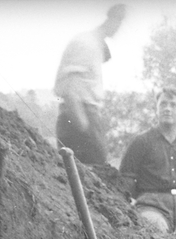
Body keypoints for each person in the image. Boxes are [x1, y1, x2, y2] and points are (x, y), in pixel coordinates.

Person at [119, 89, 176, 239]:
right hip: (151, 205)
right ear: (156, 109)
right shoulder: (141, 142)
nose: (167, 109)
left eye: (173, 105)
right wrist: (147, 197)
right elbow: (126, 180)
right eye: (163, 104)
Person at [54, 4, 126, 166]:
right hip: (79, 119)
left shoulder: (93, 43)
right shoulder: (87, 44)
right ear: (115, 21)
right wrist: (86, 130)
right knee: (89, 176)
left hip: (82, 117)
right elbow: (70, 91)